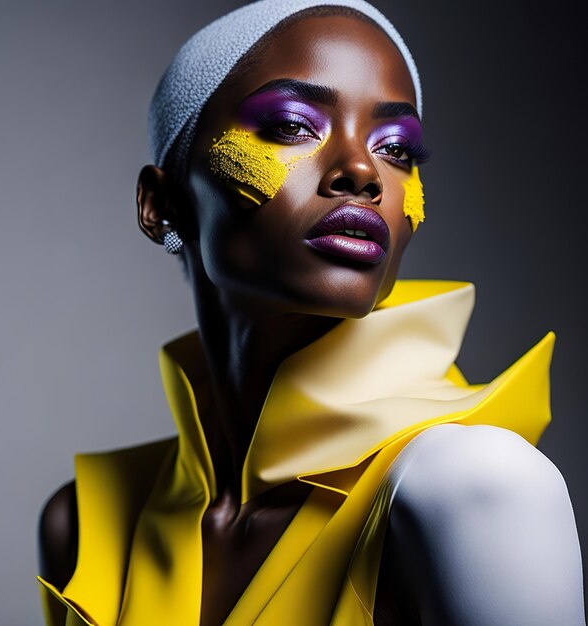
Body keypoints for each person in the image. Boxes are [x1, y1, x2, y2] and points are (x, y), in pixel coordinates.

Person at [37, 1, 586, 624]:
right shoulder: (82, 525)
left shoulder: (476, 487)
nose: (362, 172)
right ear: (162, 204)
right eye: (294, 125)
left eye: (397, 148)